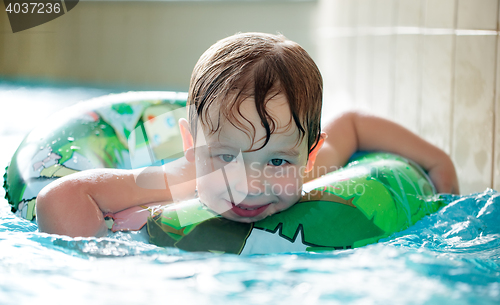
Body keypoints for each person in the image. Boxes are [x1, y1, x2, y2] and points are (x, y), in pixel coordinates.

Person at [36, 32, 459, 237]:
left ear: (310, 155)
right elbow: (59, 196)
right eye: (223, 158)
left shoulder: (312, 173)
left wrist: (439, 165)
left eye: (276, 161)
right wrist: (100, 258)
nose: (249, 183)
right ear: (191, 146)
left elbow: (352, 124)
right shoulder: (176, 180)